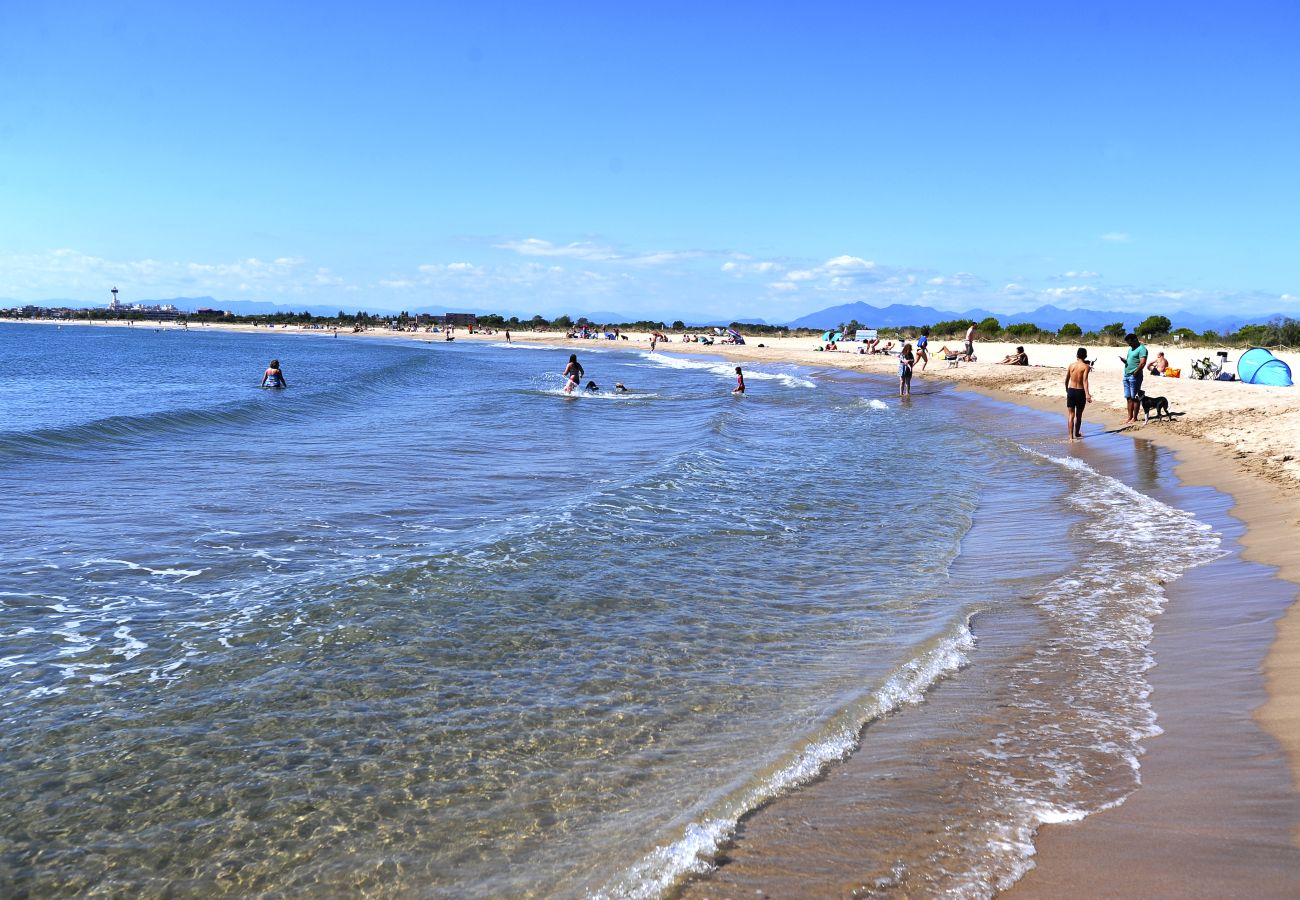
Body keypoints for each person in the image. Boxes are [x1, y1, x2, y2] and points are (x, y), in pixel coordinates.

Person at [1065, 347, 1093, 441]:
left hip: (1071, 390)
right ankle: (1076, 433)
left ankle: (1070, 437)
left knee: (1070, 415)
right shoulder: (1086, 367)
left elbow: (1066, 379)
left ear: (1077, 355)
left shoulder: (1071, 365)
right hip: (1080, 392)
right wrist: (1087, 394)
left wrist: (1067, 389)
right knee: (1079, 415)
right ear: (1085, 356)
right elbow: (1085, 381)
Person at [1120, 333, 1148, 424]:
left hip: (1135, 376)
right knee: (1128, 397)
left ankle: (1134, 418)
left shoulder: (1142, 349)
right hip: (1126, 375)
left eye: (1130, 343)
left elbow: (1142, 363)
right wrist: (1125, 361)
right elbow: (1130, 361)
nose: (1129, 344)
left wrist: (1135, 373)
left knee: (1135, 397)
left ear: (1135, 340)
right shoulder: (1130, 349)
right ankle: (1129, 417)